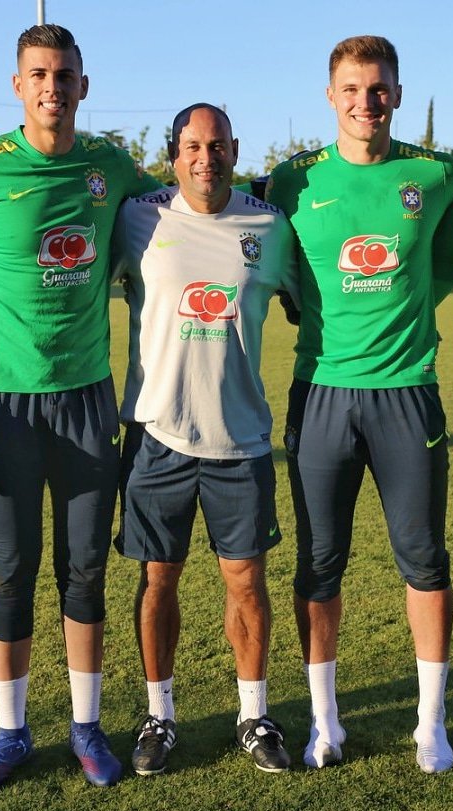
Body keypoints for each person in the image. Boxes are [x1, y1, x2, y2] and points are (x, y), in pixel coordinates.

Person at [0, 23, 161, 794]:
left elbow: (174, 221)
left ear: (84, 85)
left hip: (86, 402)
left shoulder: (110, 166)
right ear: (18, 86)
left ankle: (86, 728)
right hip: (4, 409)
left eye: (65, 74)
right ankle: (12, 734)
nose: (53, 86)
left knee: (84, 572)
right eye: (39, 74)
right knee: (10, 573)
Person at [264, 35, 453, 772]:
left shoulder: (436, 175)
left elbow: (445, 270)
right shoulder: (291, 180)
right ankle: (325, 723)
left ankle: (431, 725)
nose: (365, 102)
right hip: (321, 393)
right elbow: (276, 270)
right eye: (351, 89)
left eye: (378, 88)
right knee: (319, 565)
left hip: (407, 392)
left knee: (425, 560)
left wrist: (398, 321)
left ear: (398, 94)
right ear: (330, 97)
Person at [111, 103, 300, 775]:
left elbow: (313, 306)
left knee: (246, 582)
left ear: (235, 150)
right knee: (157, 579)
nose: (205, 158)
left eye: (216, 146)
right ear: (174, 156)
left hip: (240, 439)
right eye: (192, 146)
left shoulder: (270, 225)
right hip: (157, 434)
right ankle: (158, 715)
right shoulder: (137, 218)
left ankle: (254, 715)